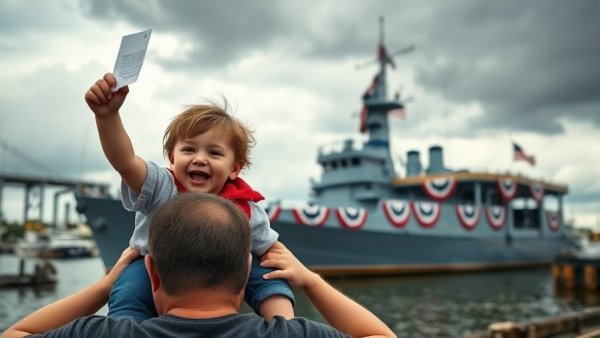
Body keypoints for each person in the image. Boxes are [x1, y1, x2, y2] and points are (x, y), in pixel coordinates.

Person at [2, 193, 396, 338]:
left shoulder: (106, 332)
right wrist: (310, 280)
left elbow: (17, 331)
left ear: (152, 272)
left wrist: (106, 286)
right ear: (246, 272)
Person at [83, 72, 294, 322]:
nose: (200, 158)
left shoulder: (243, 206)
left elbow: (268, 247)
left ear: (234, 168)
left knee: (269, 278)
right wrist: (107, 117)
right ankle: (125, 329)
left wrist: (293, 266)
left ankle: (285, 327)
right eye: (189, 149)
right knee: (129, 292)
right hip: (155, 263)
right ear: (172, 159)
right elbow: (125, 162)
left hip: (224, 269)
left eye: (214, 153)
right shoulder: (161, 186)